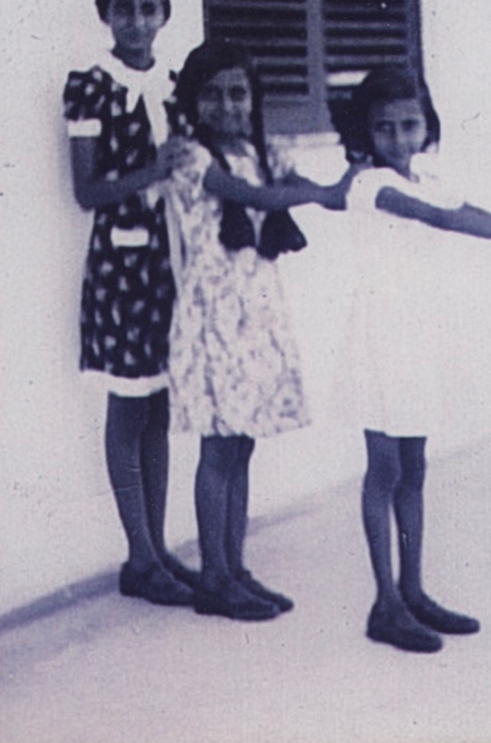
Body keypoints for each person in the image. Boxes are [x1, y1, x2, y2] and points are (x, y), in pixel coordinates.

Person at [336, 66, 491, 653]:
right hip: (381, 337)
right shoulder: (367, 183)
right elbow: (443, 218)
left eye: (410, 125)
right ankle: (385, 603)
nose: (400, 138)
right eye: (385, 128)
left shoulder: (427, 171)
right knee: (383, 468)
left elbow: (462, 205)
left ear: (426, 123)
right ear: (366, 132)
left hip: (419, 335)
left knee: (415, 465)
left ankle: (414, 589)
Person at [167, 41, 357, 621]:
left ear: (254, 100)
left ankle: (236, 566)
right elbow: (259, 196)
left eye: (239, 93)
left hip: (256, 312)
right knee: (219, 446)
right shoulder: (191, 158)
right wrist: (323, 194)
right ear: (194, 102)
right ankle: (213, 578)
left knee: (242, 443)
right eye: (215, 94)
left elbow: (283, 179)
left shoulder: (260, 149)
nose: (228, 105)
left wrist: (349, 167)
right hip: (213, 318)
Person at [65, 0, 195, 607]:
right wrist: (150, 171)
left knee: (160, 407)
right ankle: (138, 556)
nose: (138, 20)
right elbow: (87, 190)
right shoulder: (90, 86)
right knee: (127, 404)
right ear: (105, 14)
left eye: (149, 8)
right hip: (122, 266)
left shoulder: (177, 83)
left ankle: (159, 548)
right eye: (124, 8)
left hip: (172, 260)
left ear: (164, 13)